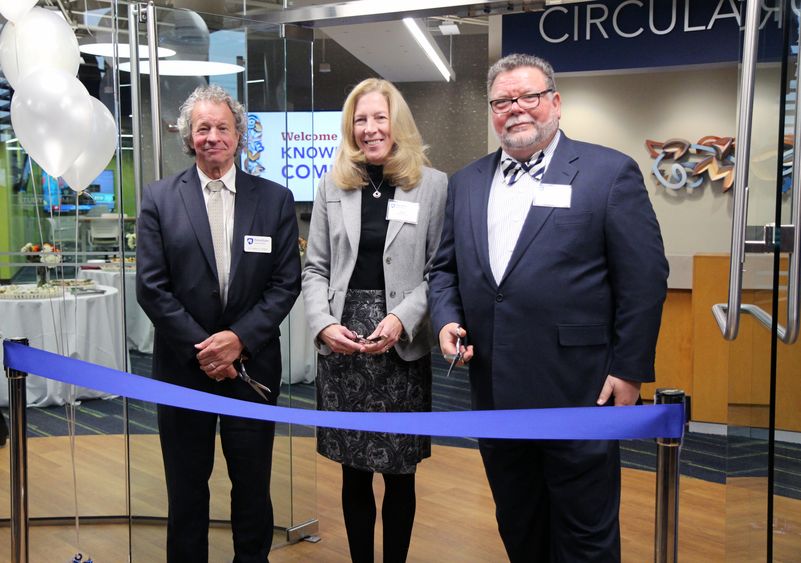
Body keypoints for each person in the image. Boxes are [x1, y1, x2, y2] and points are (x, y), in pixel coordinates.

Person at [428, 53, 669, 562]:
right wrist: (448, 318)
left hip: (579, 391)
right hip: (494, 394)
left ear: (555, 103)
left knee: (585, 536)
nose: (515, 109)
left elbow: (644, 281)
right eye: (502, 101)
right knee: (519, 524)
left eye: (528, 96)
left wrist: (629, 369)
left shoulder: (608, 173)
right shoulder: (467, 182)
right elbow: (445, 269)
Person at [136, 84, 301, 562]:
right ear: (189, 137)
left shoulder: (274, 199)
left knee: (253, 490)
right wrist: (207, 350)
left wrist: (238, 341)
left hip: (252, 373)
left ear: (239, 135)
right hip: (184, 373)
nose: (212, 137)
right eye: (202, 128)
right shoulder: (159, 199)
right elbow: (152, 287)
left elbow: (284, 284)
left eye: (222, 127)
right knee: (186, 492)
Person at [302, 78, 447, 563]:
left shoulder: (433, 184)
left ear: (396, 122)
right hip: (343, 343)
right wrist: (323, 323)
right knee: (353, 471)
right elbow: (316, 267)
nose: (369, 129)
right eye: (360, 120)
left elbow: (438, 271)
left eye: (378, 118)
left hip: (400, 345)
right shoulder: (332, 182)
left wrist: (401, 319)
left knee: (400, 471)